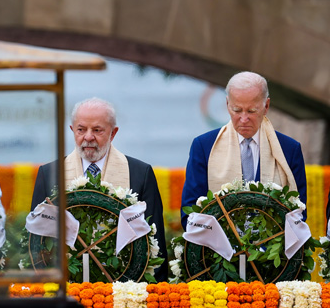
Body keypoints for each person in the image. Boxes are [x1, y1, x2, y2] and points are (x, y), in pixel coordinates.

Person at [30, 97, 168, 280]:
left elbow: (155, 243)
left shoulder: (140, 174)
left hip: (126, 287)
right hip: (67, 285)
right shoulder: (50, 174)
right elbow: (36, 239)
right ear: (72, 130)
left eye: (97, 130)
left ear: (113, 133)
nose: (88, 137)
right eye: (81, 130)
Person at [181, 71, 307, 226]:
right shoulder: (204, 146)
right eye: (237, 110)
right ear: (227, 104)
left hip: (273, 247)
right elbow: (190, 211)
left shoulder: (289, 149)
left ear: (266, 106)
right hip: (218, 248)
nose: (244, 119)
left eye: (252, 111)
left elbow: (299, 212)